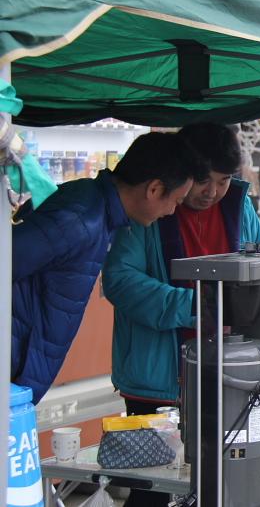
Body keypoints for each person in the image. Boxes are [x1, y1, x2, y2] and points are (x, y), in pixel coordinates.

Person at [102, 123, 260, 507]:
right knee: (152, 490)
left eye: (223, 181)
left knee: (224, 481)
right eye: (203, 181)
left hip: (227, 371)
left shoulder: (239, 206)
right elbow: (120, 281)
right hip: (156, 378)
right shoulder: (148, 208)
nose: (212, 192)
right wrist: (192, 307)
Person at [11, 132, 201, 403]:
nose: (172, 211)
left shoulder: (96, 210)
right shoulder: (79, 219)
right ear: (154, 189)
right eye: (176, 201)